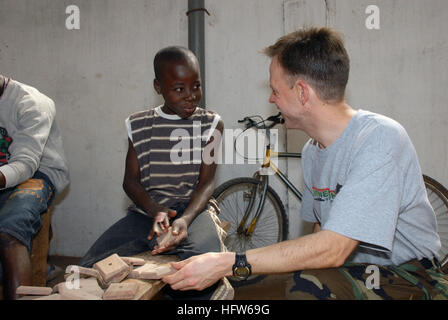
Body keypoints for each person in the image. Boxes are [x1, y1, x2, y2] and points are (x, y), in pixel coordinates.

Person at [163, 27, 448, 300]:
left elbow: (334, 249)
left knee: (307, 287)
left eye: (275, 90)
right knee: (302, 277)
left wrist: (230, 262)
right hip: (355, 270)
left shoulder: (379, 138)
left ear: (302, 93)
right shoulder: (313, 151)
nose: (270, 98)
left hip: (409, 273)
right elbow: (322, 234)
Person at [79, 46, 225, 300]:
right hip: (148, 212)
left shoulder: (211, 124)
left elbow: (207, 183)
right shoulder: (139, 124)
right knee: (91, 264)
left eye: (196, 86)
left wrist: (185, 219)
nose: (190, 96)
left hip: (194, 210)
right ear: (158, 87)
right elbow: (131, 182)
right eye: (179, 89)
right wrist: (155, 210)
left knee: (204, 267)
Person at [0, 75, 69, 300]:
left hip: (37, 173)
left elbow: (25, 163)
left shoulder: (31, 103)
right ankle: (44, 270)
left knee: (10, 228)